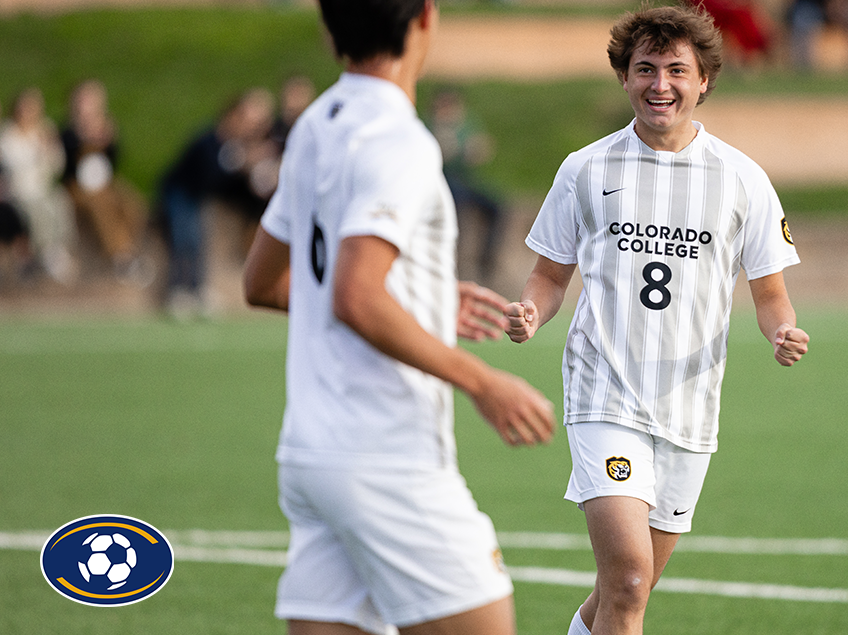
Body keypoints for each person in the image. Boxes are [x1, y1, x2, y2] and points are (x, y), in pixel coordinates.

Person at [241, 0, 558, 633]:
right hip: (386, 456)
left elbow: (265, 281)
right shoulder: (400, 140)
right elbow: (355, 296)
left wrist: (423, 300)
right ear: (425, 20)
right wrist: (483, 381)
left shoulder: (316, 123)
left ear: (332, 28)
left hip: (313, 454)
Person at [502, 7, 810, 635]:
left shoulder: (741, 178)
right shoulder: (585, 169)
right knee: (631, 578)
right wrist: (531, 311)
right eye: (645, 68)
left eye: (676, 70)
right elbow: (550, 276)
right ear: (624, 77)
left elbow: (770, 293)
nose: (660, 84)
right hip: (603, 393)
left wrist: (781, 330)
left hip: (689, 407)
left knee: (622, 594)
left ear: (705, 82)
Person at [159, 88, 276, 317]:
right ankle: (178, 291)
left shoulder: (238, 146)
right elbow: (211, 177)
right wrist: (243, 164)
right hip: (181, 192)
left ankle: (197, 289)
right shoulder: (210, 140)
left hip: (198, 196)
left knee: (197, 238)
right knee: (186, 237)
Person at [59, 79, 151, 283]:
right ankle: (122, 258)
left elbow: (111, 164)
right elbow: (65, 167)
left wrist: (109, 141)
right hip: (77, 185)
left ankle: (130, 249)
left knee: (132, 204)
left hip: (104, 184)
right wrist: (84, 137)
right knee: (100, 207)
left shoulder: (105, 128)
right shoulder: (68, 132)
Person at [429, 86, 507, 282]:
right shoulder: (431, 127)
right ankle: (449, 263)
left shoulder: (464, 125)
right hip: (439, 184)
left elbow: (481, 149)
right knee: (457, 209)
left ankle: (486, 261)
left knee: (497, 206)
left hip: (464, 181)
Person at [0, 87, 77, 284]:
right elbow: (13, 165)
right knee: (37, 210)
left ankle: (59, 248)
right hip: (19, 190)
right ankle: (46, 251)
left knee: (60, 201)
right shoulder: (7, 134)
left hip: (42, 188)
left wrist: (50, 148)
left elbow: (57, 166)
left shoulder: (44, 130)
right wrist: (38, 153)